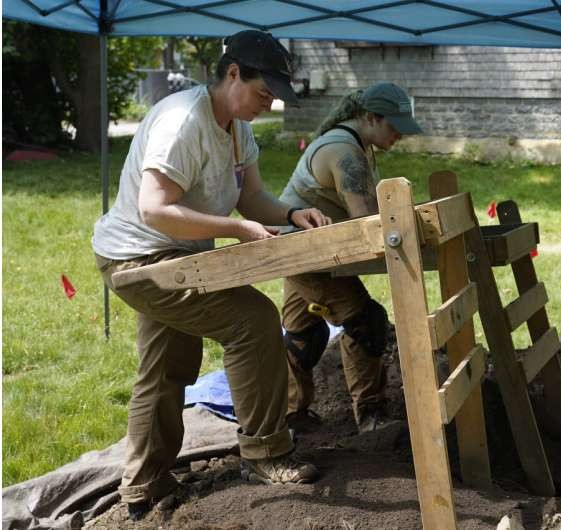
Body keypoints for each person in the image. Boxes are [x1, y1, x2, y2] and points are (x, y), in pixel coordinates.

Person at [91, 30, 330, 520]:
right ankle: (266, 452)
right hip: (139, 260)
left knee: (167, 364)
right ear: (233, 73)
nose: (268, 105)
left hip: (175, 257)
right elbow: (154, 209)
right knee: (253, 320)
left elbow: (251, 198)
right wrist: (236, 229)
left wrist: (289, 215)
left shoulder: (237, 128)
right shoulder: (183, 122)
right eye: (263, 93)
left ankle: (142, 484)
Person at [278, 82, 423, 434]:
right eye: (394, 127)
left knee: (302, 336)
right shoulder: (344, 152)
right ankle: (371, 417)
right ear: (371, 117)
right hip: (303, 252)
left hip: (308, 248)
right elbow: (366, 222)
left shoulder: (353, 144)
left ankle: (289, 415)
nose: (400, 136)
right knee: (366, 322)